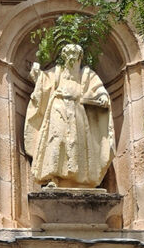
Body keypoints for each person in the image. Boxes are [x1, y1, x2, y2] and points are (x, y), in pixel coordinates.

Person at [24, 43, 116, 188]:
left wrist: (103, 96)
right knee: (57, 139)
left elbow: (98, 88)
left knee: (78, 143)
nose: (72, 57)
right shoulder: (58, 71)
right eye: (69, 54)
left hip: (78, 111)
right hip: (58, 107)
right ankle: (53, 177)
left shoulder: (86, 73)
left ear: (80, 57)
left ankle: (80, 180)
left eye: (75, 54)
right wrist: (37, 74)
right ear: (64, 57)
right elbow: (45, 82)